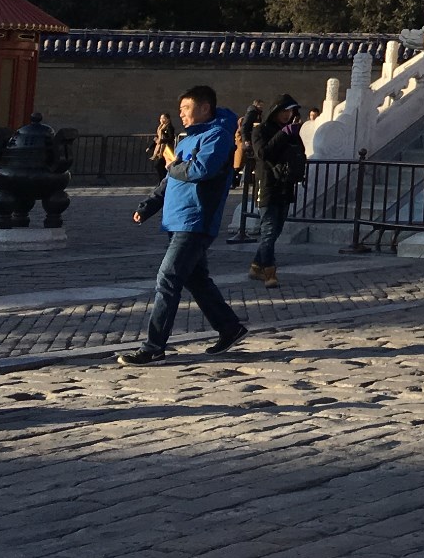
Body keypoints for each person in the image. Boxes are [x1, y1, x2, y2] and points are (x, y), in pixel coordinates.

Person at [118, 85, 247, 365]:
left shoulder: (217, 136)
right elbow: (171, 178)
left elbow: (200, 170)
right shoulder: (188, 137)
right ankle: (229, 327)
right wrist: (148, 206)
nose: (182, 114)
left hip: (196, 219)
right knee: (195, 279)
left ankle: (154, 346)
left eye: (186, 109)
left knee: (168, 278)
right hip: (178, 218)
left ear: (204, 108)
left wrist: (173, 165)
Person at [248, 94, 307, 287]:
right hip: (267, 185)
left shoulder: (291, 132)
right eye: (284, 111)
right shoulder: (261, 130)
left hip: (285, 184)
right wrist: (283, 134)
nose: (287, 115)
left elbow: (300, 153)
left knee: (276, 230)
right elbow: (263, 153)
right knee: (269, 229)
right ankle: (269, 272)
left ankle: (256, 265)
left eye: (290, 111)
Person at [228, 100, 264, 244]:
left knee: (240, 168)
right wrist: (246, 141)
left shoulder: (256, 113)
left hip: (248, 145)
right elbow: (245, 128)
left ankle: (234, 181)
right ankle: (232, 182)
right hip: (247, 145)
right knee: (239, 167)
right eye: (261, 104)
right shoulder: (252, 113)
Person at [148, 113, 177, 181]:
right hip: (160, 149)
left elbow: (171, 138)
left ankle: (163, 180)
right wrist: (150, 147)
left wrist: (161, 140)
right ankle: (162, 180)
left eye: (164, 118)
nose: (162, 120)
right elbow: (157, 138)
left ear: (168, 119)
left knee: (159, 165)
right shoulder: (160, 128)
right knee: (159, 166)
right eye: (161, 118)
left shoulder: (169, 127)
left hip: (166, 149)